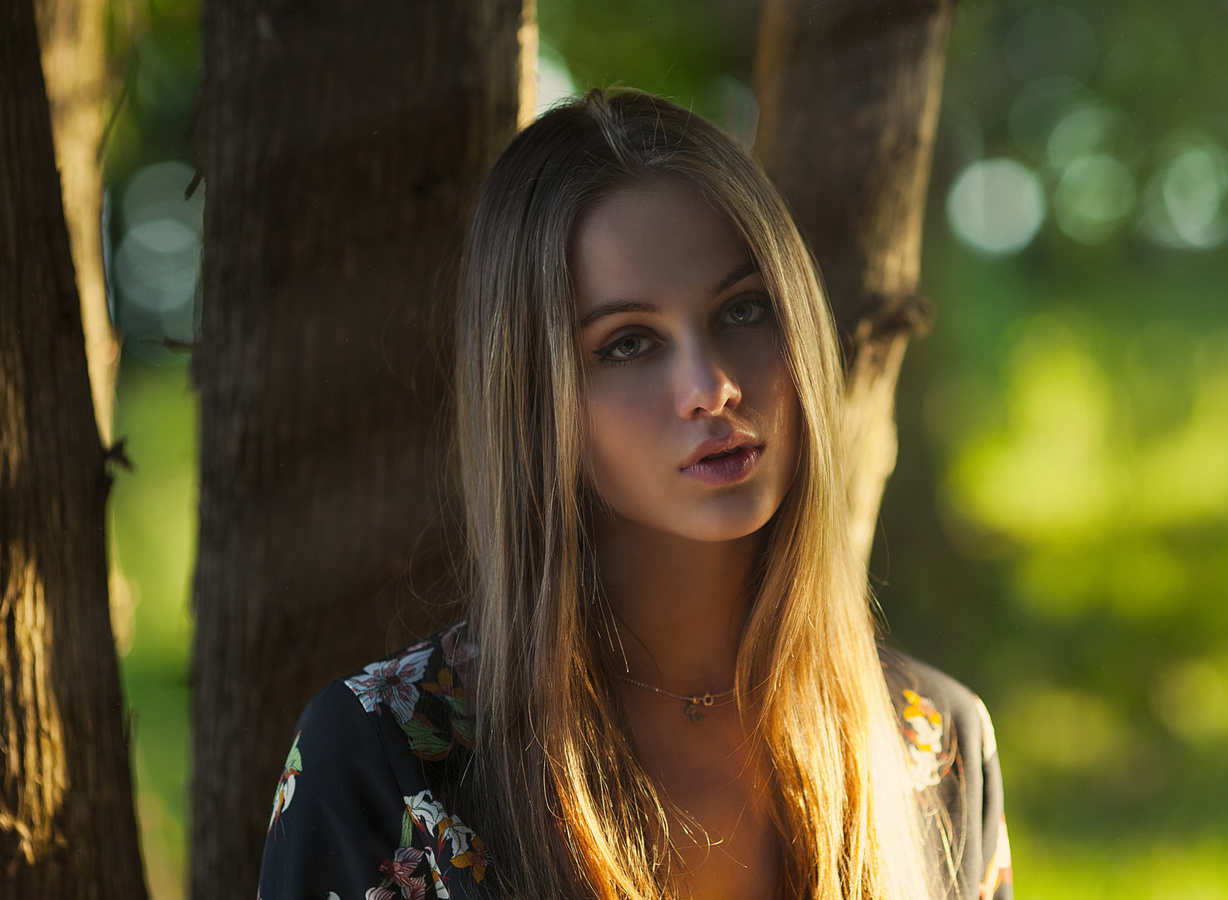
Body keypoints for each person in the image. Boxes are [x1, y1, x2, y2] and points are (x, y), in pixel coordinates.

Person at [258, 88, 1012, 900]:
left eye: (745, 309)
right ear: (534, 400)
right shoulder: (381, 757)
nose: (711, 387)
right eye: (628, 343)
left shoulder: (930, 741)